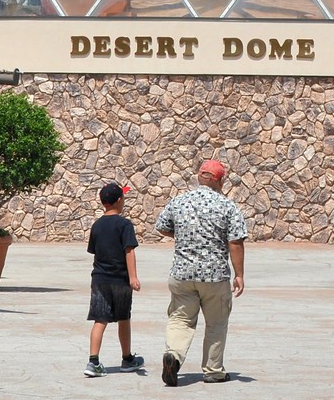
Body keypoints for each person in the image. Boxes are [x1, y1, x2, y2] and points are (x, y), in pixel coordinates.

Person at [156, 158, 248, 387]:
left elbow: (162, 226)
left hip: (182, 274)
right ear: (220, 180)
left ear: (199, 177)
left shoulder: (179, 201)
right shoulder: (226, 206)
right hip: (214, 276)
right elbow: (235, 241)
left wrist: (185, 238)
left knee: (180, 319)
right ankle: (213, 371)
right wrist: (239, 274)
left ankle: (174, 356)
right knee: (216, 323)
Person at [85, 181, 143, 377]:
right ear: (119, 200)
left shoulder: (97, 225)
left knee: (99, 320)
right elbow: (129, 251)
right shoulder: (124, 224)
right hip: (120, 280)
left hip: (100, 279)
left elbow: (94, 251)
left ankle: (93, 362)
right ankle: (127, 359)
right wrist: (133, 277)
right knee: (123, 318)